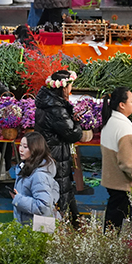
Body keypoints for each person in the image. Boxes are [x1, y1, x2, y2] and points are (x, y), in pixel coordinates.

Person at [34, 70, 83, 226]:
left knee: (51, 192)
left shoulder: (47, 102)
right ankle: (62, 230)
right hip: (56, 157)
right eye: (70, 86)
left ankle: (53, 229)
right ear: (63, 88)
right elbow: (73, 134)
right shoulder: (56, 109)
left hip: (48, 153)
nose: (71, 90)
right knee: (59, 193)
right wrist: (76, 123)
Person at [100, 88, 132, 230]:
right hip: (122, 183)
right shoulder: (123, 126)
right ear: (122, 105)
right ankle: (111, 250)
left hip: (112, 181)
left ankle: (109, 247)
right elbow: (128, 162)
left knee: (112, 222)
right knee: (118, 224)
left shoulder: (111, 120)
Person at [11, 132, 59, 224]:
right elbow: (55, 186)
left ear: (35, 149)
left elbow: (43, 207)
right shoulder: (26, 167)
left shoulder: (39, 175)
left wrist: (18, 199)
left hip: (37, 227)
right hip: (28, 225)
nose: (20, 150)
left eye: (25, 147)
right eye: (20, 145)